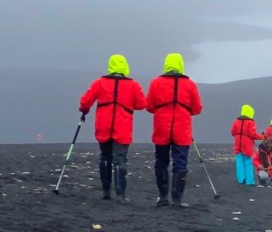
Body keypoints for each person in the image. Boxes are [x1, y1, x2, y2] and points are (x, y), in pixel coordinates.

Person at [77, 53, 147, 203]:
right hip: (122, 127)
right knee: (120, 159)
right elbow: (141, 104)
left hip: (103, 125)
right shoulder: (133, 85)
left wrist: (85, 110)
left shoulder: (100, 83)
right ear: (125, 67)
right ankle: (120, 195)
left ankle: (106, 192)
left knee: (105, 157)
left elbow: (85, 101)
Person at [145, 52, 204, 208]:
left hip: (161, 128)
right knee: (180, 164)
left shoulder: (155, 83)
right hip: (182, 130)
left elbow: (149, 106)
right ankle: (177, 200)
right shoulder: (190, 84)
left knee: (161, 162)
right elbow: (197, 108)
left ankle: (163, 197)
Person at [231, 105, 263, 185]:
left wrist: (239, 135)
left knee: (239, 162)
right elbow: (253, 134)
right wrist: (262, 137)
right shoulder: (250, 122)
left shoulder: (236, 121)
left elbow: (232, 132)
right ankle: (249, 181)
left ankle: (241, 180)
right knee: (248, 162)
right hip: (247, 145)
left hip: (238, 144)